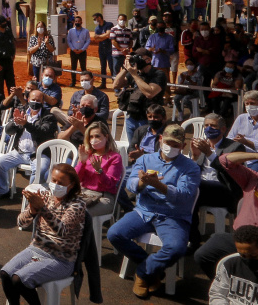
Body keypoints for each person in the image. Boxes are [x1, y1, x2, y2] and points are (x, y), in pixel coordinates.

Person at [107, 124, 201, 299]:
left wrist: (159, 185)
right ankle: (153, 270)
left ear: (183, 146)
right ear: (160, 140)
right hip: (144, 211)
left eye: (176, 144)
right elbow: (131, 184)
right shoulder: (145, 159)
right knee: (114, 234)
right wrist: (142, 183)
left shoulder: (191, 168)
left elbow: (184, 196)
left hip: (173, 215)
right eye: (168, 142)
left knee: (176, 248)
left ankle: (143, 273)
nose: (171, 147)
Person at [0, 164, 86, 305]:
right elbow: (21, 223)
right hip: (37, 248)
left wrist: (42, 209)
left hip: (61, 258)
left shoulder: (77, 204)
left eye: (61, 182)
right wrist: (32, 211)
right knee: (6, 274)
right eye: (54, 180)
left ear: (71, 185)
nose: (56, 185)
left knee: (19, 279)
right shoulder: (45, 196)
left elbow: (62, 231)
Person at [194, 150, 258, 279]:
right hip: (238, 240)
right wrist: (257, 155)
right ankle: (226, 284)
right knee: (204, 254)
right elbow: (224, 161)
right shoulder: (253, 179)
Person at [188, 113, 245, 251]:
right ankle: (191, 237)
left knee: (194, 187)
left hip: (225, 192)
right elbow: (193, 172)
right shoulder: (202, 146)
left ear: (223, 129)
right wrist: (195, 157)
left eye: (213, 126)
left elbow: (229, 172)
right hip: (202, 191)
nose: (209, 128)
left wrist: (209, 153)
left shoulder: (235, 147)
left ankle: (193, 239)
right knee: (186, 190)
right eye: (206, 126)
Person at [0, 90, 58, 200]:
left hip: (38, 154)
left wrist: (26, 124)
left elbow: (43, 132)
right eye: (33, 99)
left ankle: (30, 198)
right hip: (19, 152)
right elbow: (8, 131)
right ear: (28, 99)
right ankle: (3, 191)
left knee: (40, 170)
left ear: (42, 102)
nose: (35, 102)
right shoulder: (22, 111)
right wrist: (15, 122)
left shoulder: (48, 117)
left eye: (38, 100)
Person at [113, 48, 167, 142]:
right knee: (133, 149)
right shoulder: (135, 73)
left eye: (139, 58)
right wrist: (126, 69)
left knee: (147, 148)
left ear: (148, 60)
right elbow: (116, 85)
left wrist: (134, 75)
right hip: (131, 118)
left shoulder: (158, 74)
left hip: (149, 119)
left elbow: (150, 93)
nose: (136, 60)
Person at [209, 225, 258, 304]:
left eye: (253, 256)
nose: (248, 260)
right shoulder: (231, 265)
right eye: (243, 256)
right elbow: (217, 294)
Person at [74, 122, 122, 217]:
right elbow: (75, 180)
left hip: (103, 197)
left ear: (106, 137)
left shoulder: (114, 157)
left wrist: (99, 171)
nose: (93, 140)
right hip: (84, 194)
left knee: (77, 214)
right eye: (91, 137)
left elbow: (109, 185)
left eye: (97, 136)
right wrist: (81, 163)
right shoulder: (87, 154)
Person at [227, 91, 258, 171]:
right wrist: (236, 140)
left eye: (252, 103)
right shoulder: (241, 118)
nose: (249, 106)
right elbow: (229, 138)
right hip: (238, 157)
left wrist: (247, 142)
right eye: (247, 104)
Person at [91, 13, 114, 88]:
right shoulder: (97, 28)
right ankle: (103, 83)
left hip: (109, 48)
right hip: (101, 49)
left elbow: (108, 35)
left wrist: (100, 36)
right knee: (103, 67)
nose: (95, 20)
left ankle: (115, 83)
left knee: (111, 66)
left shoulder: (109, 24)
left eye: (95, 19)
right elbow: (96, 39)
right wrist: (103, 36)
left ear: (99, 17)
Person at [66, 15, 90, 87]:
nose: (77, 22)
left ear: (81, 22)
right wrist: (73, 48)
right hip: (73, 52)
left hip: (82, 52)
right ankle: (73, 82)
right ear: (74, 22)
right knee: (73, 67)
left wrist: (82, 49)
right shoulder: (71, 31)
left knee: (83, 68)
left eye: (79, 21)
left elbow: (88, 41)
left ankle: (85, 82)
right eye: (76, 21)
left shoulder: (86, 31)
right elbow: (68, 40)